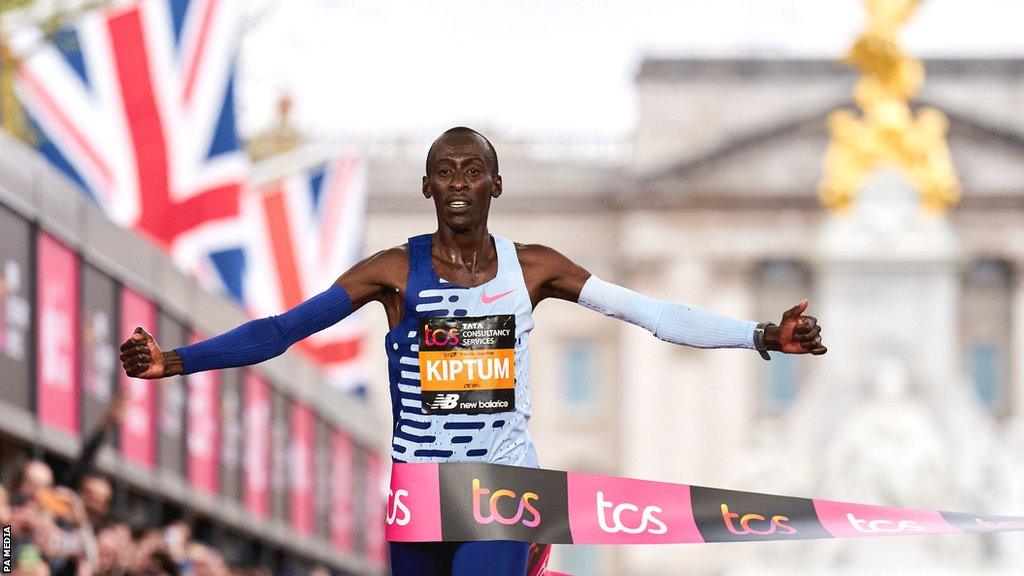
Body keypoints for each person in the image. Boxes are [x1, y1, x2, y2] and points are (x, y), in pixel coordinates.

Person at [120, 127, 826, 576]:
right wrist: (176, 361)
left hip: (503, 483)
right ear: (427, 188)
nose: (458, 182)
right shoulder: (392, 271)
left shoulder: (538, 267)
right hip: (420, 490)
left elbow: (651, 312)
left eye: (471, 170)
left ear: (495, 184)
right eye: (444, 171)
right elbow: (283, 330)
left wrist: (759, 334)